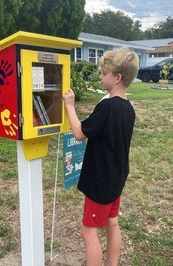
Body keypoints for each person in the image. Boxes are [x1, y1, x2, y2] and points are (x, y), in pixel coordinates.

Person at [63, 47, 139, 266]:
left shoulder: (107, 107)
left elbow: (79, 133)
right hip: (117, 178)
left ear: (117, 77)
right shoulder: (128, 108)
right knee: (112, 223)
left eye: (104, 73)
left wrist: (69, 105)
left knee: (89, 232)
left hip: (101, 181)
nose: (100, 76)